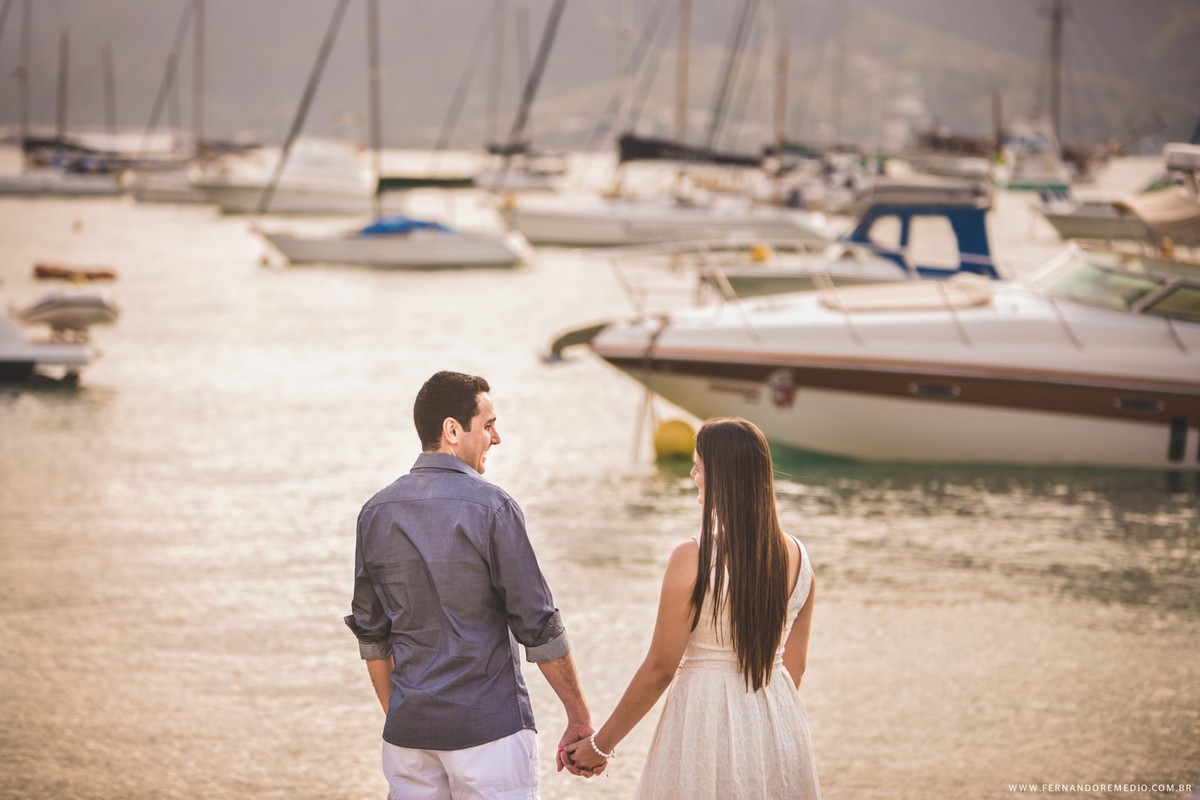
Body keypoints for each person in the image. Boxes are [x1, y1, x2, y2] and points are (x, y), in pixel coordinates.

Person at [345, 370, 598, 799]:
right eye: (488, 425)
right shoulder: (494, 508)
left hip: (409, 737)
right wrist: (579, 719)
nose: (495, 438)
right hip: (490, 735)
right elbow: (537, 625)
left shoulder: (375, 512)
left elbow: (371, 634)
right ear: (452, 430)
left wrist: (403, 714)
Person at [564, 417, 821, 799]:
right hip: (777, 721)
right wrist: (756, 725)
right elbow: (793, 668)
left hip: (704, 723)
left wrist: (599, 746)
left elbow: (660, 669)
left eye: (698, 465)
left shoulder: (693, 557)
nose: (692, 473)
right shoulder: (799, 558)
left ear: (721, 474)